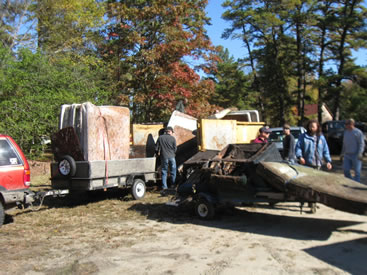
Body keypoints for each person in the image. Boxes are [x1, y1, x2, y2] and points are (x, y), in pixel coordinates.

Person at [155, 126, 177, 194]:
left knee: (164, 172)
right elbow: (175, 149)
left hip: (164, 157)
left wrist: (157, 154)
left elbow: (156, 148)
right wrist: (173, 153)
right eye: (171, 132)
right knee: (173, 171)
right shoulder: (173, 138)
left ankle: (164, 187)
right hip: (172, 157)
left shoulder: (160, 138)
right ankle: (173, 185)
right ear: (170, 131)